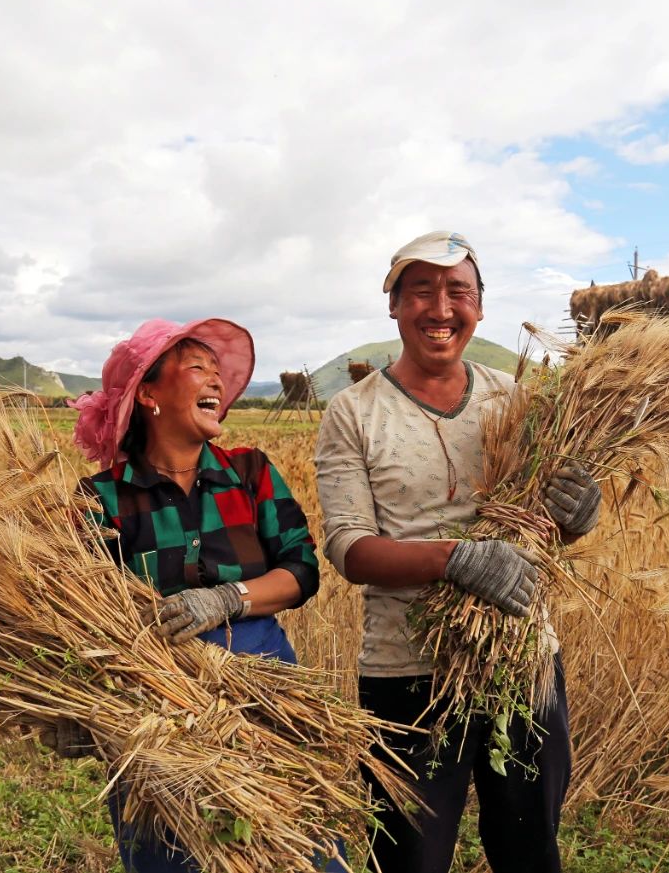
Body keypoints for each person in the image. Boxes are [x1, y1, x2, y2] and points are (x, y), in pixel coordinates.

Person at [314, 232, 602, 873]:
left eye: (457, 292)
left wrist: (578, 514)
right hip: (406, 674)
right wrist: (457, 560)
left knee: (531, 851)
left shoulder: (518, 400)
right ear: (393, 306)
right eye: (420, 292)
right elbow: (350, 548)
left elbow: (540, 524)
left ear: (479, 306)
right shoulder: (353, 412)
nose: (440, 308)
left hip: (522, 659)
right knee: (408, 859)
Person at [56, 317, 341, 873]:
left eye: (218, 371)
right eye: (197, 368)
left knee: (300, 848)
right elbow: (78, 613)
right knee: (176, 852)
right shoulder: (103, 497)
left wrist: (228, 598)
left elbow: (302, 570)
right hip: (159, 709)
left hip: (266, 690)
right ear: (148, 394)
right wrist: (78, 702)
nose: (216, 380)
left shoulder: (249, 472)